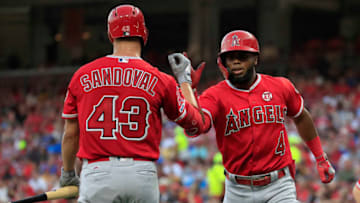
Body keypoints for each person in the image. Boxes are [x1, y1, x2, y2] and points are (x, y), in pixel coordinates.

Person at [168, 30, 335, 203]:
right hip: (237, 190)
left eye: (243, 56)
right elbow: (196, 126)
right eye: (230, 57)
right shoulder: (215, 95)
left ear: (256, 58)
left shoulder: (280, 86)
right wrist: (185, 84)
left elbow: (301, 117)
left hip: (278, 185)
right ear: (223, 61)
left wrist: (321, 158)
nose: (236, 61)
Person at [59, 4, 204, 203]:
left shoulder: (82, 75)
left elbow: (70, 134)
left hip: (98, 173)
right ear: (144, 34)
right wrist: (184, 81)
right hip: (142, 174)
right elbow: (195, 123)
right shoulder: (160, 79)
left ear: (110, 34)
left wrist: (68, 175)